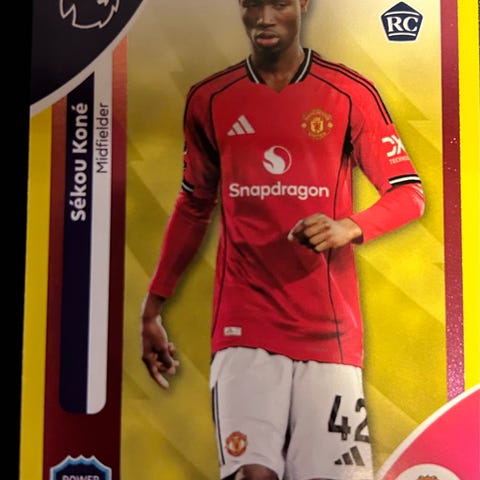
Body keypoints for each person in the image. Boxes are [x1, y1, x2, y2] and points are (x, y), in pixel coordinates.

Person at [140, 1, 425, 479]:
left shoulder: (349, 92)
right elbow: (194, 205)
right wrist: (153, 307)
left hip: (330, 334)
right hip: (244, 326)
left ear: (303, 5)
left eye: (280, 3)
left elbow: (407, 193)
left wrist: (348, 227)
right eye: (253, 3)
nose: (265, 17)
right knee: (252, 474)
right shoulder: (211, 98)